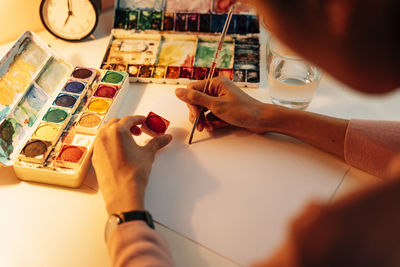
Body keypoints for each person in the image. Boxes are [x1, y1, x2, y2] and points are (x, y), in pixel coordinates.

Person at [92, 0, 400, 266]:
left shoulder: (347, 240)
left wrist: (126, 211)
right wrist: (267, 116)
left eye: (260, 11)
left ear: (333, 11)